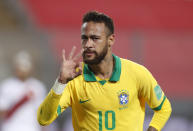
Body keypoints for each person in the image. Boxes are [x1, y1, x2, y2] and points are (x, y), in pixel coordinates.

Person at [37, 11, 172, 131]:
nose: (88, 44)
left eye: (95, 38)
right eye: (84, 38)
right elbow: (43, 119)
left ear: (111, 40)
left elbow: (164, 108)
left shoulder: (137, 73)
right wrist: (61, 82)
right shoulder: (75, 78)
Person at [0, 51, 47, 131]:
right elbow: (2, 110)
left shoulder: (38, 86)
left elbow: (42, 113)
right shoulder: (6, 86)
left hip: (32, 127)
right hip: (11, 127)